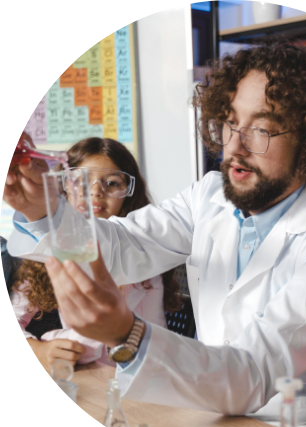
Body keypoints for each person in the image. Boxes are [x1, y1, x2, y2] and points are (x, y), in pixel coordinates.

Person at [5, 38, 306, 427]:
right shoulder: (210, 195)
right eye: (231, 122)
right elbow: (124, 245)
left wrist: (128, 334)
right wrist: (44, 209)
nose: (235, 146)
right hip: (204, 413)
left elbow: (253, 372)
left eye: (263, 129)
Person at [10, 137, 183, 373]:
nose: (95, 192)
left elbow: (154, 343)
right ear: (62, 190)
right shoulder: (48, 254)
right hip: (87, 376)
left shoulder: (145, 254)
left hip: (140, 377)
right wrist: (39, 350)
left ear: (128, 195)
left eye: (112, 183)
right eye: (80, 181)